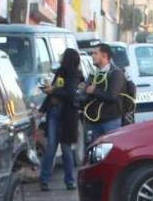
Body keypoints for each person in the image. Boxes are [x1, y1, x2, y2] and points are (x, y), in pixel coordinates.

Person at [39, 48, 84, 191]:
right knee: (51, 147)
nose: (61, 57)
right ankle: (44, 180)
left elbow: (70, 94)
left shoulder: (76, 75)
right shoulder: (59, 72)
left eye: (64, 56)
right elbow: (52, 94)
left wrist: (54, 90)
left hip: (67, 116)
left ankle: (70, 180)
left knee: (66, 149)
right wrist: (42, 110)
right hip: (54, 113)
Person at [82, 43, 127, 144]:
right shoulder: (94, 73)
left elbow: (112, 96)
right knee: (95, 153)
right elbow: (85, 89)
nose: (92, 56)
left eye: (95, 53)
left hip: (111, 120)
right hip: (95, 121)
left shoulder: (116, 73)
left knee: (112, 152)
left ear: (105, 55)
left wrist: (94, 91)